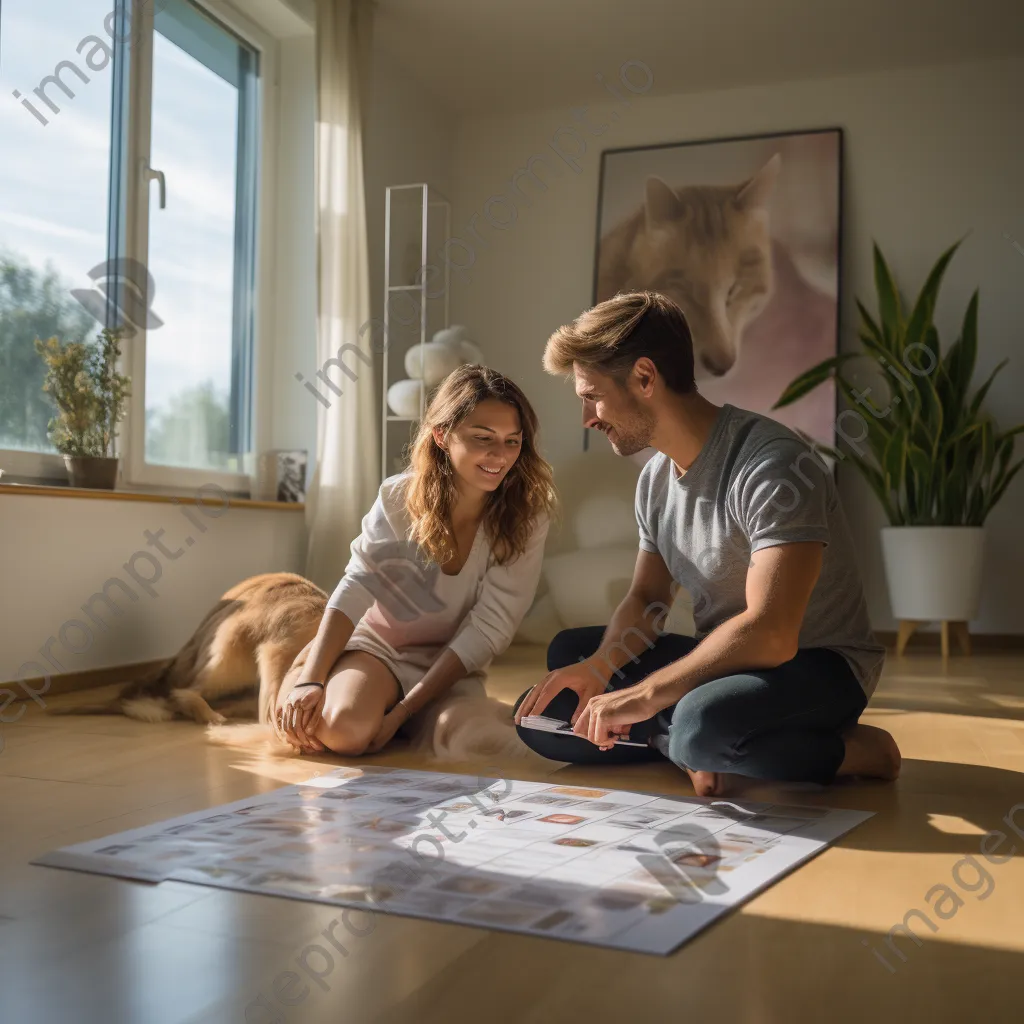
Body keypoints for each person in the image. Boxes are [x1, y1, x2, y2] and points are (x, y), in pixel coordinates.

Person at [514, 291, 900, 796]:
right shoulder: (654, 479)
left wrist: (645, 695)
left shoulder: (772, 465)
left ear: (645, 378)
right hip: (726, 661)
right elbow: (648, 601)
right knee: (553, 691)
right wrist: (600, 667)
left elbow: (772, 633)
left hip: (815, 665)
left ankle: (856, 750)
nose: (588, 415)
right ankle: (685, 745)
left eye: (593, 395)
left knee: (701, 723)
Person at [278, 365, 555, 756]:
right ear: (442, 435)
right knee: (345, 731)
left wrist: (404, 711)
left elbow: (491, 626)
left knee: (474, 742)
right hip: (381, 650)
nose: (500, 455)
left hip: (455, 664)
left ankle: (395, 711)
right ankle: (315, 673)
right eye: (482, 438)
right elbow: (359, 583)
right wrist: (311, 679)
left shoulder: (528, 517)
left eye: (513, 441)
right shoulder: (397, 497)